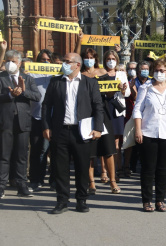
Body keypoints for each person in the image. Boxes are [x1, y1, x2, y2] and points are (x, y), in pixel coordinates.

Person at [42, 53, 104, 214]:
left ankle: (81, 200)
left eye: (67, 61)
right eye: (63, 61)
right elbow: (46, 106)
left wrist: (98, 128)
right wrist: (46, 126)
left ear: (77, 64)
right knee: (60, 168)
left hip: (81, 132)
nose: (64, 64)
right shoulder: (56, 82)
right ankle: (62, 201)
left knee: (82, 167)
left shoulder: (89, 83)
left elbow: (98, 106)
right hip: (60, 131)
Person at [133, 59, 166, 212]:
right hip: (148, 133)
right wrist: (138, 130)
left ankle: (160, 200)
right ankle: (146, 200)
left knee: (163, 169)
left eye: (162, 71)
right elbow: (137, 110)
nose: (159, 73)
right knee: (148, 169)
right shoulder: (145, 88)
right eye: (157, 70)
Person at [0, 50, 41, 199]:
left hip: (23, 122)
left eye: (13, 61)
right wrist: (10, 95)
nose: (10, 63)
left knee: (22, 155)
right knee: (4, 155)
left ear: (19, 63)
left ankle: (22, 185)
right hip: (5, 122)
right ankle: (1, 185)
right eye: (7, 61)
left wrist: (23, 92)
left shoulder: (27, 79)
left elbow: (37, 96)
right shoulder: (1, 77)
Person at [81, 49, 121, 195]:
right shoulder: (80, 75)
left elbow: (109, 95)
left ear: (96, 59)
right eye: (86, 57)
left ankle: (112, 181)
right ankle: (91, 183)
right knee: (90, 151)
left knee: (109, 149)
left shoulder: (102, 72)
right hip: (86, 113)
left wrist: (118, 89)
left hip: (103, 112)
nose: (89, 59)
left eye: (91, 57)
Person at [28, 48, 56, 191]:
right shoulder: (32, 74)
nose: (45, 62)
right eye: (42, 60)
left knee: (55, 151)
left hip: (54, 119)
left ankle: (54, 181)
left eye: (48, 60)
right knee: (38, 150)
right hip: (37, 117)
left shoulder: (56, 74)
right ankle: (36, 179)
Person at [103, 50, 130, 180]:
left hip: (117, 109)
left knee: (116, 142)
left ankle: (116, 169)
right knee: (104, 139)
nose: (111, 61)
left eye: (113, 58)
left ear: (117, 60)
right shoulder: (101, 73)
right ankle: (104, 171)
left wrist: (123, 89)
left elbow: (128, 93)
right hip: (104, 107)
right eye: (108, 58)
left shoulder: (121, 74)